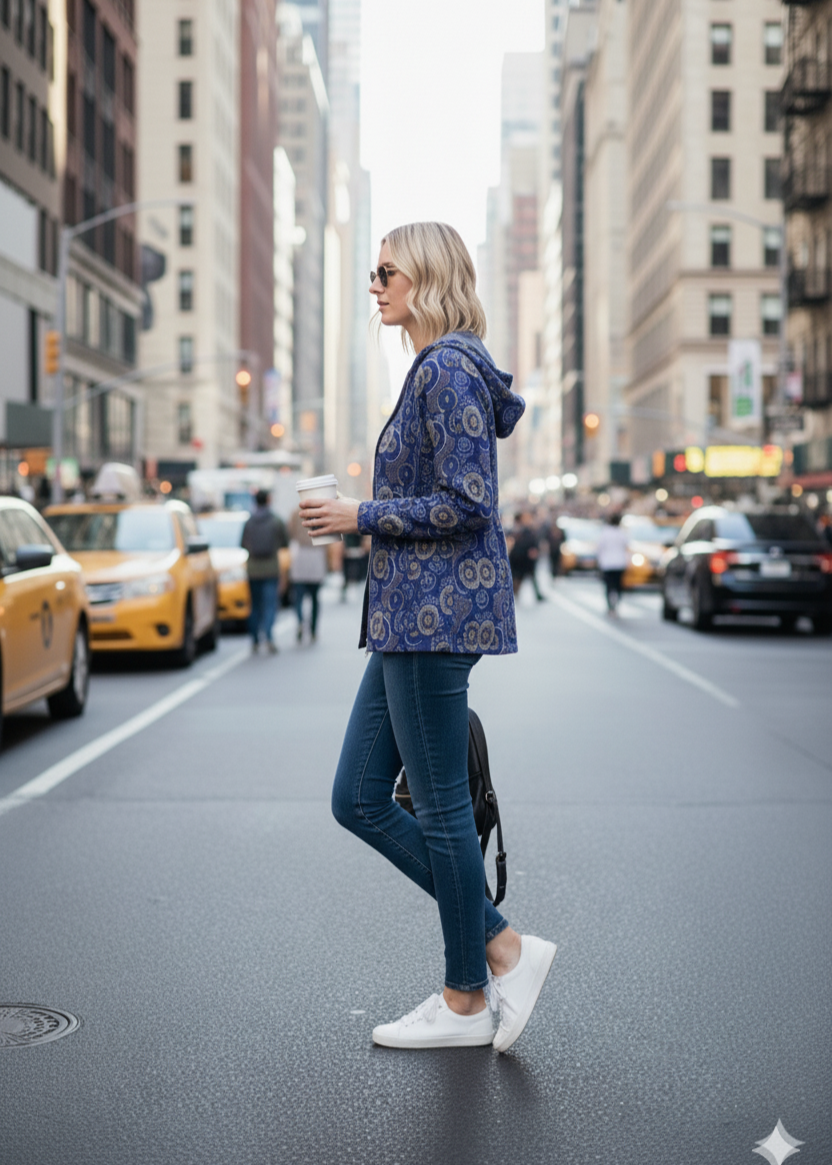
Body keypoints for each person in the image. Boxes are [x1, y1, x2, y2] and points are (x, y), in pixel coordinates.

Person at [299, 222, 557, 1052]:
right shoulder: (437, 368)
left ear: (428, 279)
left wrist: (359, 514)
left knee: (442, 809)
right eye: (373, 272)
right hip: (408, 616)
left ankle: (465, 995)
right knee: (357, 797)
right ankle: (501, 950)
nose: (374, 285)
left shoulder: (445, 369)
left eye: (387, 272)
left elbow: (469, 501)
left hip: (431, 615)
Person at [241, 489, 288, 652]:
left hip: (253, 569)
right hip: (270, 569)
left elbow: (242, 543)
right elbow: (285, 542)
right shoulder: (276, 521)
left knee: (255, 605)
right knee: (269, 605)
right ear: (268, 500)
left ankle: (255, 639)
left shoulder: (249, 522)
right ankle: (268, 635)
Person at [288, 508, 328, 643]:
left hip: (300, 555)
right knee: (315, 598)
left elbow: (291, 533)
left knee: (298, 597)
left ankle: (300, 621)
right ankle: (313, 629)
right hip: (316, 556)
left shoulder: (296, 513)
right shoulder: (321, 512)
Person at [508, 509, 546, 601]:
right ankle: (512, 595)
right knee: (517, 579)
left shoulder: (529, 531)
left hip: (527, 560)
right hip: (519, 559)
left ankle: (536, 595)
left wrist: (535, 550)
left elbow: (534, 542)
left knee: (529, 578)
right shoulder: (516, 530)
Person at [596, 512, 629, 613]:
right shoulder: (622, 533)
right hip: (619, 563)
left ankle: (610, 607)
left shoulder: (605, 532)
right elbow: (626, 546)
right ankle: (616, 603)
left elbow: (600, 547)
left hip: (607, 563)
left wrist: (599, 560)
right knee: (618, 584)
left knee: (609, 585)